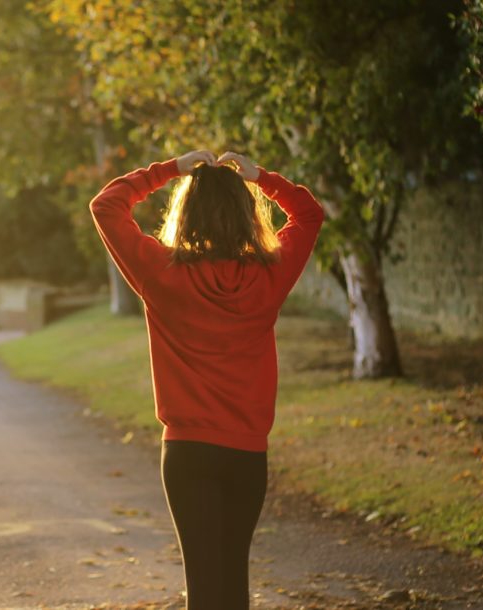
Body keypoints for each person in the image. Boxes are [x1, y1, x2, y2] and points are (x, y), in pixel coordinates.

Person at [88, 150, 325, 609]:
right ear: (246, 214)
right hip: (246, 453)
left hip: (187, 453)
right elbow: (310, 213)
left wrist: (170, 169)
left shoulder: (162, 272)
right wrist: (260, 176)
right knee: (234, 579)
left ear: (187, 212)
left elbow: (107, 205)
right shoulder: (268, 275)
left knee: (203, 583)